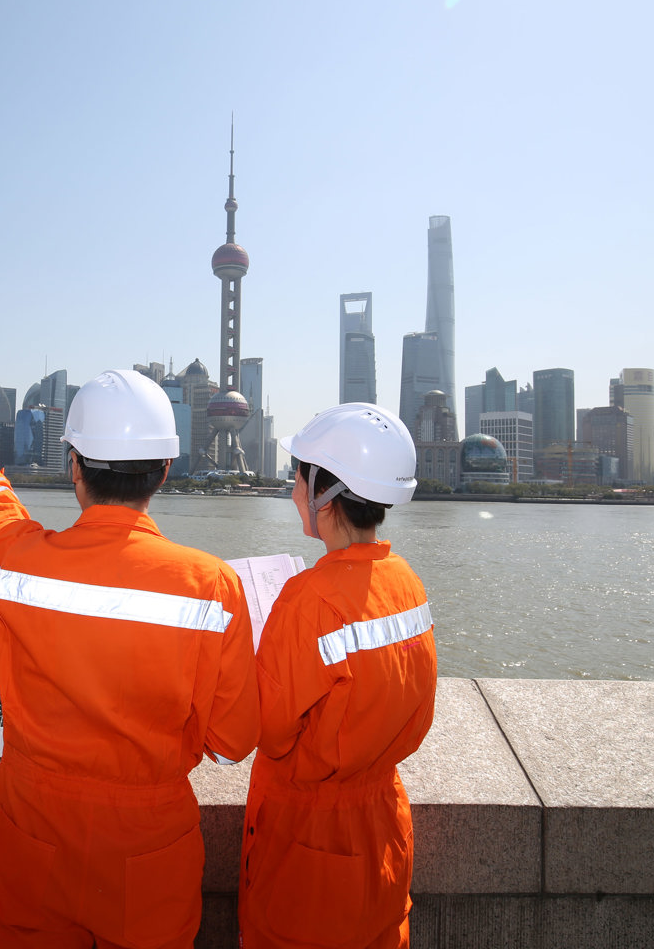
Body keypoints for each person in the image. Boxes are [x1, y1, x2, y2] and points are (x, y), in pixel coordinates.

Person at [0, 368, 259, 949]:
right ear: (165, 471)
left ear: (74, 467)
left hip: (29, 832)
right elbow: (232, 741)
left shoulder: (19, 564)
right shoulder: (210, 586)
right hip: (148, 846)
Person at [239, 404, 438, 949]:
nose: (293, 488)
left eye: (298, 475)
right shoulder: (408, 584)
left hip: (309, 844)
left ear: (324, 490)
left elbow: (272, 731)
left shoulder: (308, 600)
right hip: (383, 829)